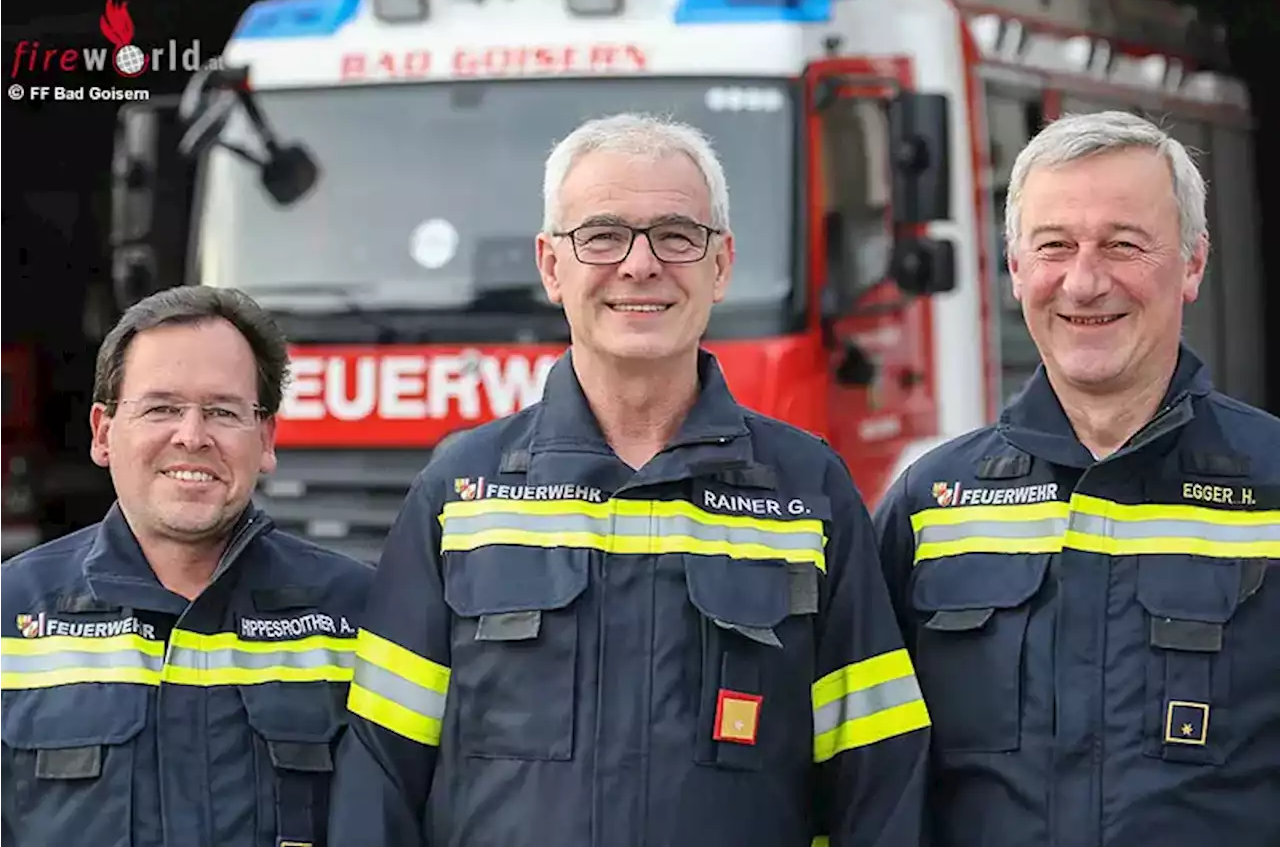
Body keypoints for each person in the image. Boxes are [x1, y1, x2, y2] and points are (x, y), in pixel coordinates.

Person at [328, 112, 931, 847]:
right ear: (552, 266)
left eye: (677, 235)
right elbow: (380, 775)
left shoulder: (809, 493)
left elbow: (879, 781)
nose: (640, 265)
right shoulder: (461, 490)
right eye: (603, 236)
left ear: (721, 263)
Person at [874, 109, 1280, 847]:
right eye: (1054, 246)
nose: (1085, 282)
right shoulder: (929, 506)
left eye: (1123, 245)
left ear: (1192, 265)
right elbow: (871, 784)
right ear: (1017, 267)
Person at [0, 285, 374, 846]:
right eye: (162, 408)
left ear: (266, 439)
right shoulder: (11, 616)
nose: (192, 436)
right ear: (103, 433)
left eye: (222, 411)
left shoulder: (361, 617)